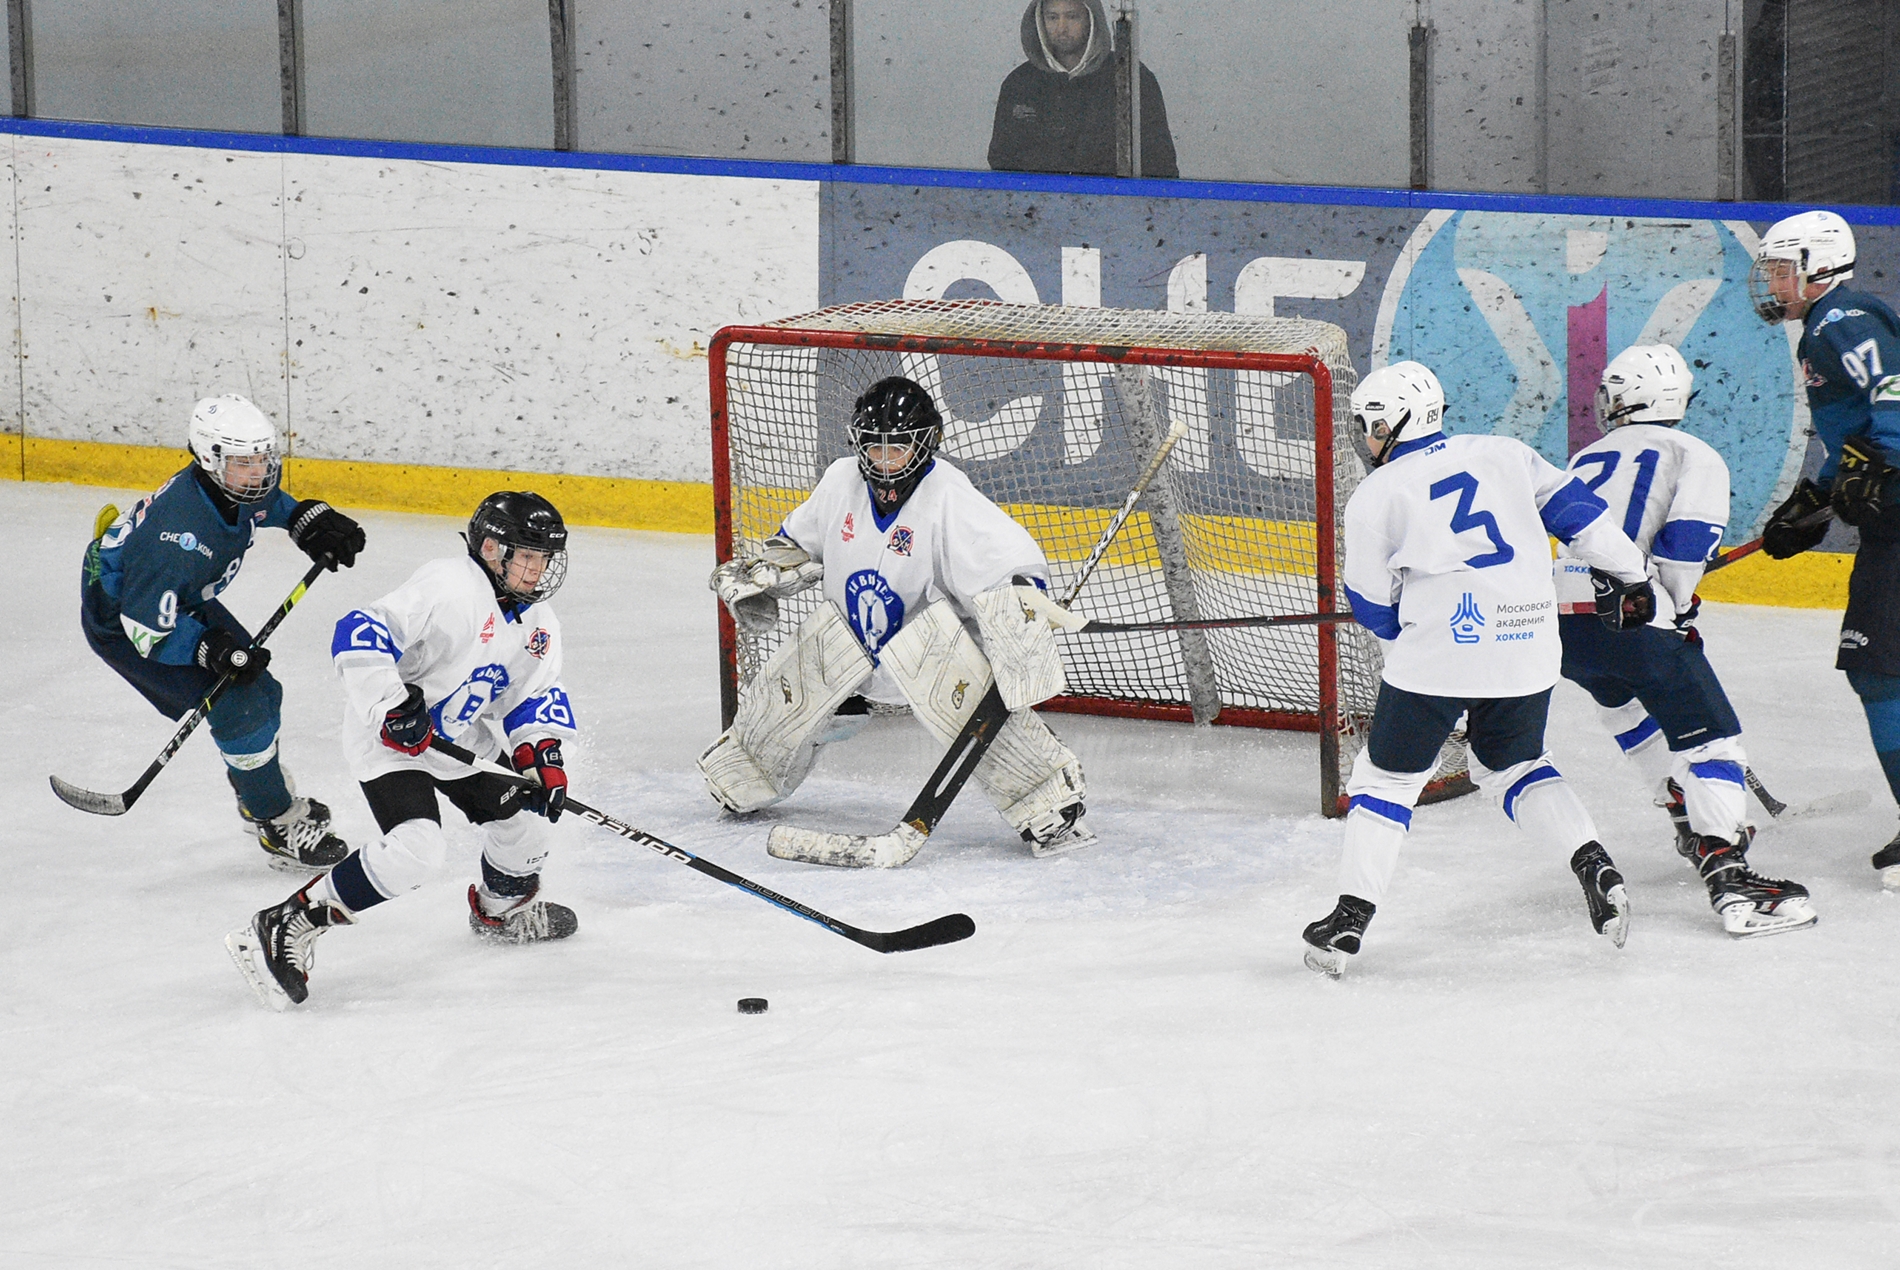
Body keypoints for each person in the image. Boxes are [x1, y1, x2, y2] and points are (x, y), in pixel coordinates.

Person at [1302, 361, 1655, 978]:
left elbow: (1372, 607)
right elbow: (1584, 519)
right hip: (1528, 648)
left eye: (1368, 424)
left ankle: (1349, 918)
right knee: (1517, 765)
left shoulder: (1377, 494)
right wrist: (1633, 576)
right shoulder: (1507, 454)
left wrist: (1418, 641)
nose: (1364, 436)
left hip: (1436, 657)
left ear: (1389, 424)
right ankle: (1592, 862)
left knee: (1386, 781)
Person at [698, 375, 1094, 859]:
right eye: (875, 447)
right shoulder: (841, 480)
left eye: (898, 449)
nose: (884, 461)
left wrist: (1021, 601)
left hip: (925, 654)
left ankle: (1047, 800)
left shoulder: (947, 495)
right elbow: (796, 544)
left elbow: (1007, 560)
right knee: (802, 674)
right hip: (851, 650)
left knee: (968, 700)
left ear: (924, 445)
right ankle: (746, 772)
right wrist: (768, 573)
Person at [226, 492, 580, 1009]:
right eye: (527, 556)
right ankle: (289, 920)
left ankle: (501, 911)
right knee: (417, 851)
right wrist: (391, 706)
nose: (538, 570)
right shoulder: (450, 585)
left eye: (544, 558)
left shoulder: (539, 624)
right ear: (490, 549)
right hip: (390, 740)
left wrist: (541, 756)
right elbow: (359, 631)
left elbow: (532, 696)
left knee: (527, 826)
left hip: (456, 738)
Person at [1555, 344, 1816, 937]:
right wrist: (1675, 604)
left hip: (1566, 623)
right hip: (1633, 617)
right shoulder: (1693, 453)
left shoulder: (1586, 456)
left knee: (1624, 706)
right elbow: (1685, 544)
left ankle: (1682, 813)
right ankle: (1730, 875)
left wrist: (1667, 600)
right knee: (1714, 743)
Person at [80, 394, 365, 871]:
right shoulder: (177, 538)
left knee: (263, 690)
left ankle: (256, 787)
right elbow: (146, 631)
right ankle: (273, 819)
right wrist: (206, 648)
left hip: (173, 597)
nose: (259, 473)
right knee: (239, 706)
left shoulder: (225, 488)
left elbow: (265, 504)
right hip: (128, 623)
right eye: (244, 463)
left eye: (262, 459)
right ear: (210, 459)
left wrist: (303, 520)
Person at [1751, 210, 1900, 887]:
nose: (1774, 283)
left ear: (1818, 267)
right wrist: (1815, 497)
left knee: (1878, 670)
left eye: (1783, 269)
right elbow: (1858, 432)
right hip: (1890, 523)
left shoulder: (1841, 319)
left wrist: (1887, 461)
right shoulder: (1826, 326)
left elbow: (1892, 390)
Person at [987, 0, 1179, 179]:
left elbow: (1161, 164)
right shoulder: (1019, 84)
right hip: (1033, 203)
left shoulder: (1129, 77)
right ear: (1039, 20)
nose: (1061, 28)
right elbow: (1001, 163)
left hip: (1113, 202)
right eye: (1052, 17)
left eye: (1072, 17)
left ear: (1091, 19)